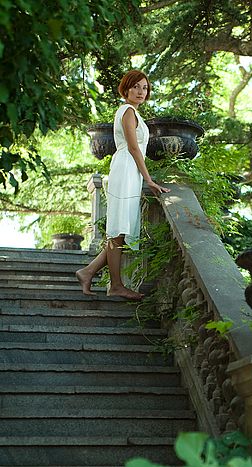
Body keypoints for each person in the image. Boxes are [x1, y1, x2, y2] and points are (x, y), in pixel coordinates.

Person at [76, 69, 170, 300]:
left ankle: (87, 272)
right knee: (118, 230)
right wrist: (149, 179)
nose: (140, 91)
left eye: (145, 88)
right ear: (126, 89)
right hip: (126, 170)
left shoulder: (133, 112)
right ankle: (115, 285)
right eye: (136, 87)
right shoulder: (127, 111)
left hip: (129, 171)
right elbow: (134, 147)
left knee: (119, 231)